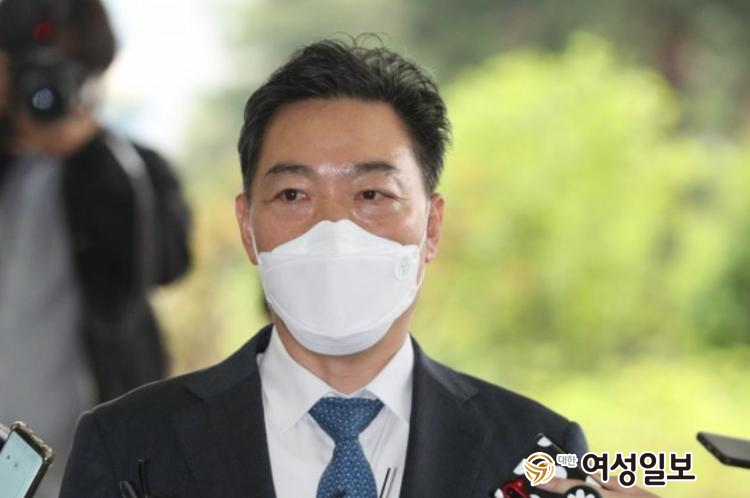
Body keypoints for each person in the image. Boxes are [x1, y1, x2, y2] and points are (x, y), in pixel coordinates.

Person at [59, 37, 657, 498]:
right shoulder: (128, 445)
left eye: (372, 194)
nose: (333, 230)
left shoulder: (535, 451)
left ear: (431, 227)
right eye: (294, 194)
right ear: (247, 227)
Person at [0, 0, 191, 496]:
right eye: (25, 70)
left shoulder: (130, 168)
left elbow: (163, 265)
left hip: (88, 462)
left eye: (66, 72)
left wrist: (90, 154)